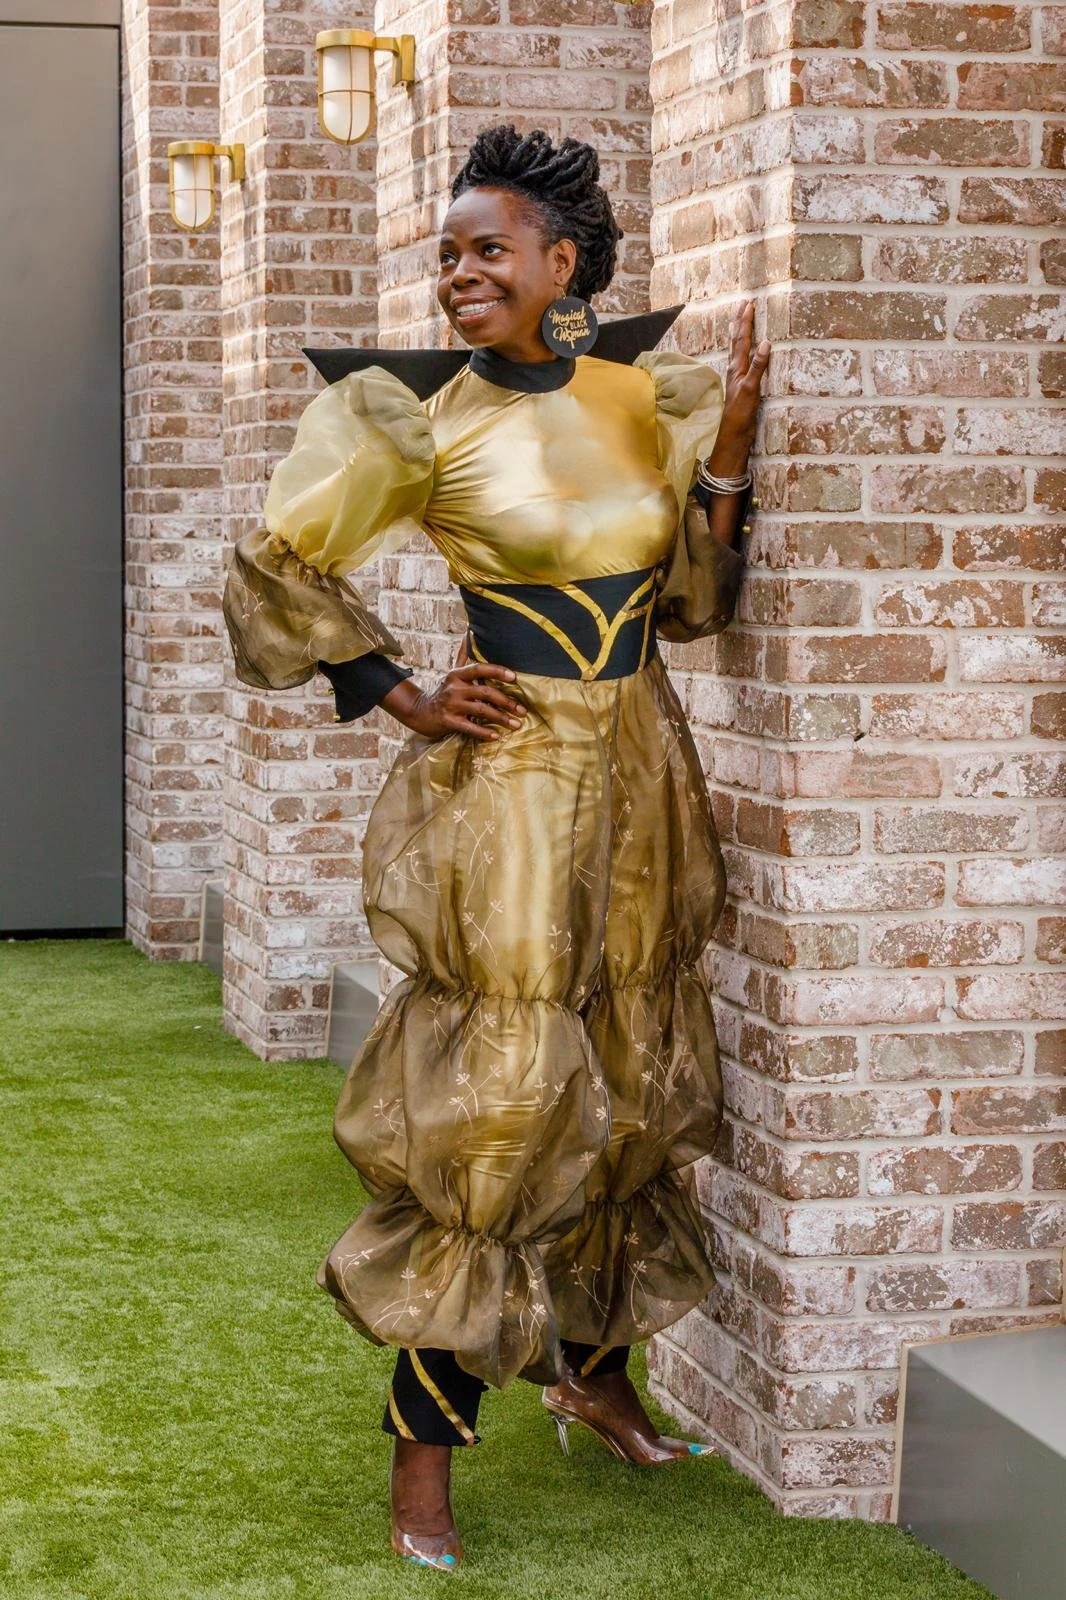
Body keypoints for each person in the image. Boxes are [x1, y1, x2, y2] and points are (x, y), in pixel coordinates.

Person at [223, 124, 768, 1572]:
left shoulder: (641, 399)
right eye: (448, 254)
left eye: (487, 249)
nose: (460, 272)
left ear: (561, 262)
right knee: (504, 1101)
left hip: (642, 766)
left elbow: (692, 608)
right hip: (513, 785)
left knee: (631, 1066)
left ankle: (593, 1377)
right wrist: (399, 690)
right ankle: (424, 1458)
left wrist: (722, 464)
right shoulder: (423, 421)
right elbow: (279, 560)